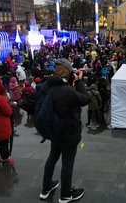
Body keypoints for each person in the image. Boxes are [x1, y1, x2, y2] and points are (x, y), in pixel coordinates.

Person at [39, 58, 89, 202]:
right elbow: (85, 99)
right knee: (67, 163)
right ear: (68, 72)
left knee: (52, 158)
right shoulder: (66, 90)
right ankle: (66, 194)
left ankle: (46, 188)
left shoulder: (48, 85)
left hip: (54, 130)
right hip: (68, 133)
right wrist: (79, 81)